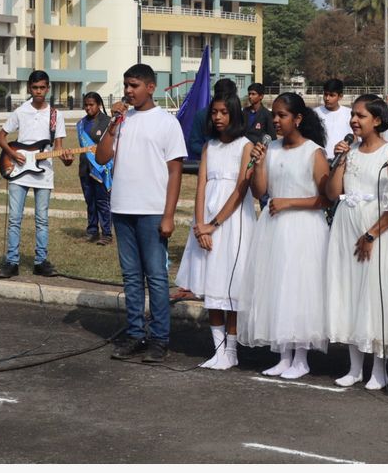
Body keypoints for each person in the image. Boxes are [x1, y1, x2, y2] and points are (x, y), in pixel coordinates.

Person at [96, 63, 187, 363]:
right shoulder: (122, 120)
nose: (128, 91)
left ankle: (159, 338)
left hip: (151, 210)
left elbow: (175, 173)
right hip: (122, 208)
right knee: (131, 277)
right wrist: (112, 125)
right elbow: (102, 156)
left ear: (151, 87)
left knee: (157, 277)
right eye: (126, 86)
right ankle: (135, 333)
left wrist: (169, 215)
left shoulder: (166, 123)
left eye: (134, 85)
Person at [238, 92, 331, 380]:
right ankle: (283, 355)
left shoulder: (313, 152)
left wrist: (290, 203)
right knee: (277, 287)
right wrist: (258, 163)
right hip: (275, 227)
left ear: (298, 118)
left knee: (300, 289)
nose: (276, 121)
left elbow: (326, 199)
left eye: (282, 116)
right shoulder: (272, 149)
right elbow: (260, 191)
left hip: (304, 228)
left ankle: (301, 357)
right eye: (274, 115)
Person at [325, 95, 388, 390]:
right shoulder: (351, 152)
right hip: (346, 226)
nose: (354, 121)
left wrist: (372, 233)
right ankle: (355, 366)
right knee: (350, 292)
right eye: (353, 115)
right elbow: (333, 193)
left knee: (375, 294)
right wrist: (339, 162)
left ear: (378, 120)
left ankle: (380, 368)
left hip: (377, 230)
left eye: (361, 116)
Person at [175, 93, 256, 369]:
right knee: (211, 285)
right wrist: (200, 225)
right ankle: (218, 350)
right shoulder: (209, 146)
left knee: (230, 287)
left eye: (223, 112)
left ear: (234, 114)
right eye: (214, 113)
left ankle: (231, 351)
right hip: (207, 220)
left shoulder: (245, 146)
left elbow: (241, 189)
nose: (218, 118)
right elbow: (200, 187)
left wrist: (215, 223)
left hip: (232, 221)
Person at [0, 70, 73, 279]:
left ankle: (41, 262)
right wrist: (13, 154)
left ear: (48, 88)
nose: (39, 91)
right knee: (14, 218)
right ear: (30, 88)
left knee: (42, 219)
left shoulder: (56, 115)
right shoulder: (21, 111)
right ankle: (12, 261)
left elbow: (58, 148)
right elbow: (1, 137)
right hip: (19, 172)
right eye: (35, 88)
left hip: (44, 173)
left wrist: (67, 158)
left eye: (42, 88)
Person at [77, 92, 113, 245]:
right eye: (86, 105)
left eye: (91, 104)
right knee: (90, 201)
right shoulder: (81, 124)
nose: (88, 108)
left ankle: (107, 233)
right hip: (85, 168)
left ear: (99, 104)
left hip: (101, 168)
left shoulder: (108, 122)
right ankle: (92, 231)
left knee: (102, 201)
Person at [315, 78, 351, 163]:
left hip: (342, 161)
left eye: (331, 95)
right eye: (325, 94)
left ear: (340, 96)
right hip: (319, 161)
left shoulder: (349, 114)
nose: (327, 98)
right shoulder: (315, 113)